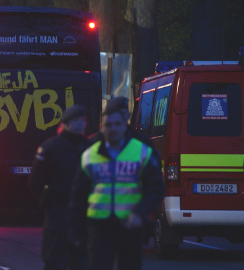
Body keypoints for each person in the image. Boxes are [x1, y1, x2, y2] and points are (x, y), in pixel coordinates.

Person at [68, 103, 164, 270]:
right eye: (108, 125)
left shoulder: (141, 151)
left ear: (124, 126)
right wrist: (76, 231)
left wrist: (140, 213)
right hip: (99, 227)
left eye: (117, 124)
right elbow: (78, 196)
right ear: (101, 128)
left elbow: (156, 189)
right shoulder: (90, 154)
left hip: (130, 227)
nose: (113, 128)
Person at [29, 105, 89, 270]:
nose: (78, 124)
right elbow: (36, 180)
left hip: (82, 211)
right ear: (65, 124)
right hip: (58, 209)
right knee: (55, 258)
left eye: (81, 121)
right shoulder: (51, 147)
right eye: (74, 121)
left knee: (81, 259)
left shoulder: (89, 148)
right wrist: (47, 199)